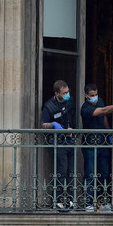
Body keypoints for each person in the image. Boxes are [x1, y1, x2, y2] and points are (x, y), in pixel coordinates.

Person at [79, 83, 113, 211]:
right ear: (86, 95)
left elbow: (103, 117)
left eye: (96, 94)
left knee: (104, 173)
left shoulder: (100, 101)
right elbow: (103, 111)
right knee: (90, 174)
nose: (95, 97)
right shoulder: (85, 108)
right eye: (92, 95)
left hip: (102, 143)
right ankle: (89, 203)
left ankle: (104, 200)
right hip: (89, 145)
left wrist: (108, 133)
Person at [41, 80, 77, 210]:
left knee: (71, 172)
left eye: (68, 92)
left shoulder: (70, 101)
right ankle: (57, 199)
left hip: (69, 140)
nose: (67, 94)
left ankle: (71, 199)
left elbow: (72, 117)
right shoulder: (49, 106)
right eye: (64, 93)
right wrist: (53, 125)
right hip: (57, 141)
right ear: (57, 93)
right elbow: (43, 124)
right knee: (61, 171)